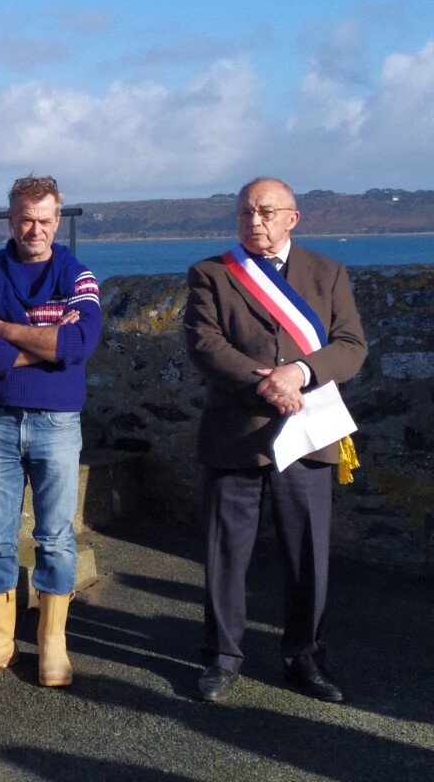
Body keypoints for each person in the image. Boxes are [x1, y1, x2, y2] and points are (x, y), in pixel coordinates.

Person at [183, 177, 366, 704]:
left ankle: (305, 657)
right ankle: (221, 657)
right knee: (225, 553)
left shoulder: (327, 273)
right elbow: (204, 343)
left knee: (308, 554)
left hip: (308, 434)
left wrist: (301, 374)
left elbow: (351, 344)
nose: (254, 222)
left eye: (265, 212)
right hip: (236, 432)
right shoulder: (211, 274)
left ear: (292, 217)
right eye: (245, 213)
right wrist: (269, 384)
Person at [0, 174, 101, 687]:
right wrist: (43, 344)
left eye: (44, 219)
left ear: (57, 220)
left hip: (58, 423)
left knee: (56, 537)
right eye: (24, 219)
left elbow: (79, 345)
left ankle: (50, 642)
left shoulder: (78, 275)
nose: (33, 229)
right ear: (10, 219)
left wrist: (8, 332)